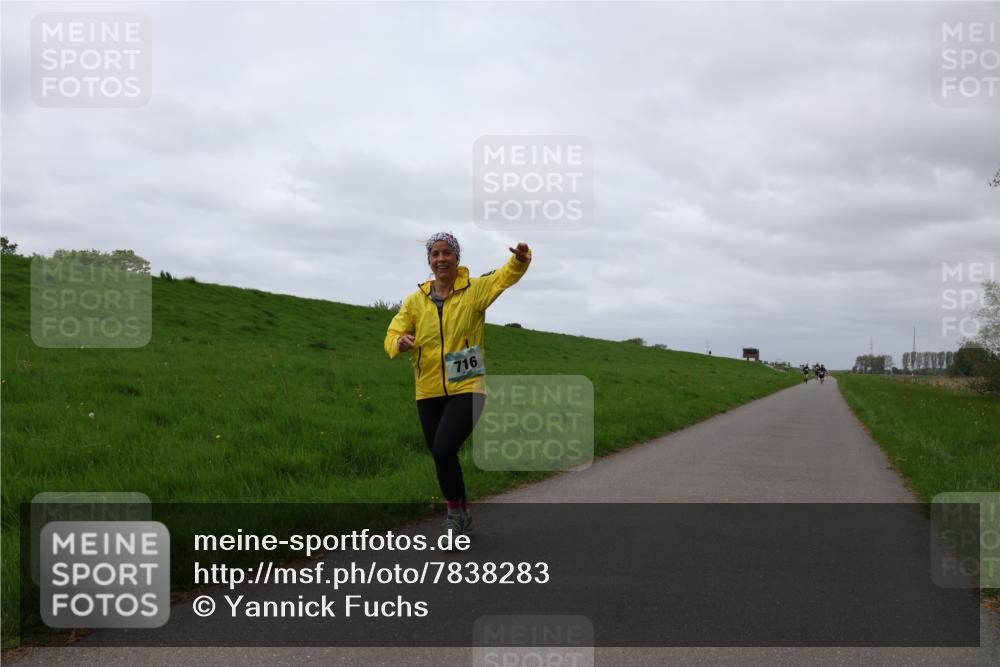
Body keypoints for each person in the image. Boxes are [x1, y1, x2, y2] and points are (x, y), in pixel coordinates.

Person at [384, 232, 532, 537]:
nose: (441, 259)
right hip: (427, 390)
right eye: (435, 254)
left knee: (443, 447)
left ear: (457, 258)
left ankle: (454, 516)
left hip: (468, 386)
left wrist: (518, 260)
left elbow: (502, 278)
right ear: (429, 260)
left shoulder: (474, 290)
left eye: (446, 253)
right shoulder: (415, 301)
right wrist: (399, 342)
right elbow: (392, 333)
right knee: (442, 454)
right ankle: (461, 511)